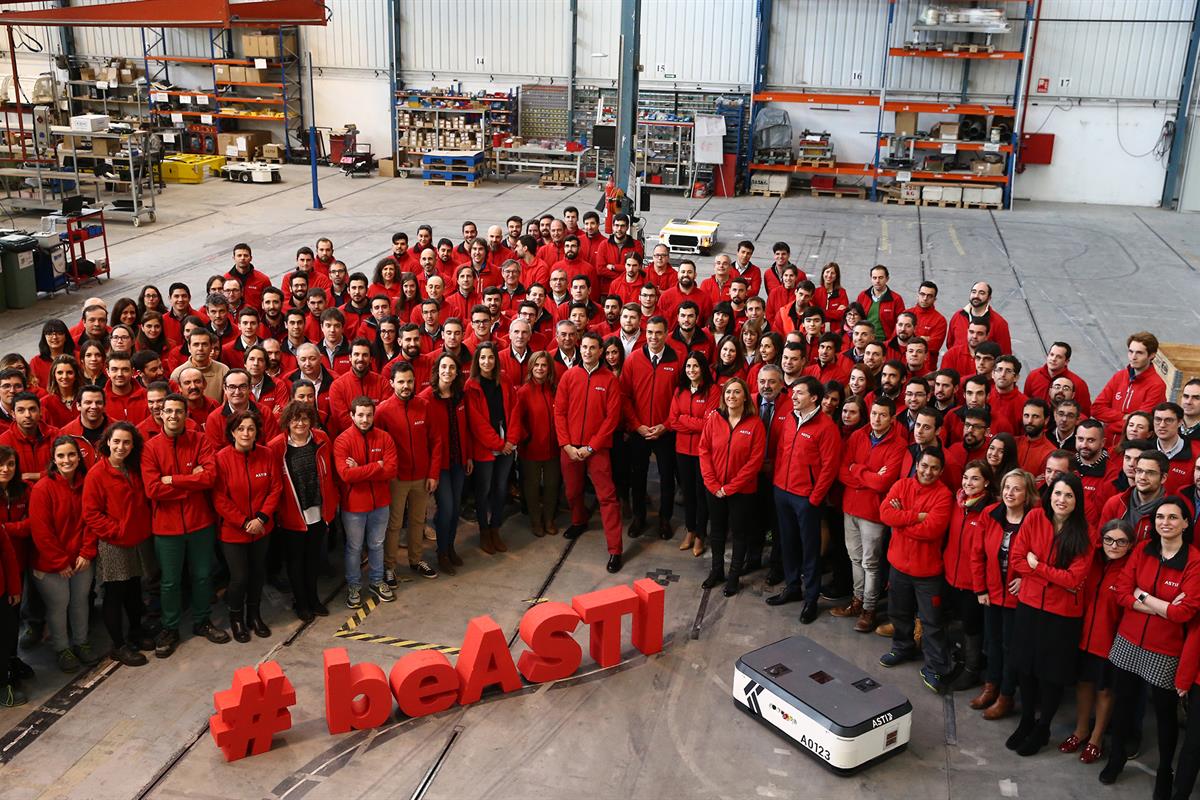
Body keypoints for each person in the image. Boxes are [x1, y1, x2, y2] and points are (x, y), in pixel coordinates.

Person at [1100, 496, 1200, 792]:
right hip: (1129, 640)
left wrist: (1142, 596)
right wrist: (1162, 606)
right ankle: (1116, 757)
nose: (1164, 523)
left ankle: (1164, 771)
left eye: (1172, 517)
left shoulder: (1194, 561)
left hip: (1165, 649)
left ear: (1185, 523)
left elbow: (1184, 613)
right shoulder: (1143, 549)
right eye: (1159, 517)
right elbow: (1121, 592)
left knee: (1165, 715)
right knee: (1123, 704)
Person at [1006, 472, 1093, 756]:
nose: (1061, 500)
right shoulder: (1034, 518)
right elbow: (1018, 560)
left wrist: (1039, 567)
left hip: (1062, 615)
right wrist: (1047, 574)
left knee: (1050, 674)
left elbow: (1073, 579)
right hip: (1030, 606)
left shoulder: (1085, 532)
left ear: (1077, 500)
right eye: (1057, 493)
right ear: (1049, 495)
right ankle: (1027, 720)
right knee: (1026, 668)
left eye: (1068, 495)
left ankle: (1043, 728)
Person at [142, 394, 229, 658]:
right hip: (166, 529)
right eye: (168, 411)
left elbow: (210, 478)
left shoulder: (200, 440)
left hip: (199, 522)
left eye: (178, 411)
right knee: (169, 582)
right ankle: (170, 627)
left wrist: (172, 481)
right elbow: (153, 489)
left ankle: (202, 620)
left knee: (202, 576)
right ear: (161, 413)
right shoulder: (150, 447)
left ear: (185, 414)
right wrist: (189, 481)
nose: (173, 416)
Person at [877, 446, 954, 693]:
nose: (928, 472)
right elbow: (885, 514)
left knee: (931, 623)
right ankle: (902, 649)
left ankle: (936, 668)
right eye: (924, 465)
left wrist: (902, 520)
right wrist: (916, 516)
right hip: (898, 566)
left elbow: (932, 529)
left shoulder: (944, 496)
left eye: (934, 468)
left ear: (941, 471)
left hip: (927, 573)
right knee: (899, 613)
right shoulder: (901, 485)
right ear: (917, 465)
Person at [1057, 519, 1134, 764]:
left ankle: (1096, 738)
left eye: (1121, 541)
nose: (1114, 545)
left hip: (1110, 643)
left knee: (1105, 691)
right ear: (1101, 540)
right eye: (1109, 539)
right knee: (1083, 684)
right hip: (1082, 638)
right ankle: (1081, 730)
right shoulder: (1090, 562)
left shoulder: (1130, 570)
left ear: (1130, 545)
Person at [767, 376, 842, 623]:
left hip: (806, 498)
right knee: (787, 543)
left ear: (814, 398)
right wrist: (778, 483)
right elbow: (781, 451)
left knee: (810, 550)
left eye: (799, 393)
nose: (794, 397)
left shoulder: (826, 427)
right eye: (794, 392)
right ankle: (792, 587)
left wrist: (814, 498)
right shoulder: (789, 419)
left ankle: (811, 598)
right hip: (783, 491)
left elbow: (830, 468)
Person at [82, 421, 155, 668]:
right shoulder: (97, 473)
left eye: (126, 442)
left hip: (136, 541)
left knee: (135, 591)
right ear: (107, 443)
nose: (121, 446)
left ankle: (136, 631)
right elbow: (91, 513)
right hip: (114, 544)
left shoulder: (133, 468)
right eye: (116, 441)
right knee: (114, 595)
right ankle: (118, 645)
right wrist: (117, 531)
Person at [971, 468, 1038, 720]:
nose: (1010, 493)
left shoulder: (1036, 519)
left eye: (1017, 488)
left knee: (1012, 647)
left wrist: (1026, 580)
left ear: (1027, 493)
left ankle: (1006, 695)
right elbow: (977, 554)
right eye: (1007, 487)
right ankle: (991, 686)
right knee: (993, 643)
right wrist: (980, 589)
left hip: (1019, 599)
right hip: (992, 594)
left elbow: (1040, 558)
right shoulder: (990, 514)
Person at [833, 396, 905, 633]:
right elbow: (842, 471)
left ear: (892, 418)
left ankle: (869, 609)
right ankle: (856, 600)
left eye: (883, 415)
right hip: (850, 506)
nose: (877, 419)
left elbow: (883, 484)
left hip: (873, 513)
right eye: (874, 414)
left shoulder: (898, 445)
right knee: (854, 558)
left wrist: (858, 469)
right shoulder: (857, 436)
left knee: (871, 563)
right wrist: (868, 475)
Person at [555, 331, 624, 572]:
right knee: (572, 492)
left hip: (597, 450)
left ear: (600, 351)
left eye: (592, 348)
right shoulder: (569, 377)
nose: (587, 351)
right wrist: (566, 445)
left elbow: (612, 420)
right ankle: (579, 520)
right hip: (570, 448)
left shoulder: (610, 381)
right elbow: (560, 412)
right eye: (584, 347)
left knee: (607, 498)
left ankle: (615, 549)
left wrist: (591, 447)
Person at [29, 436, 97, 673]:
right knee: (59, 606)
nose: (66, 460)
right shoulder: (42, 489)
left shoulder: (87, 483)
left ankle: (81, 642)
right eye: (61, 456)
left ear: (79, 457)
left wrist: (87, 552)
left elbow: (92, 520)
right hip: (50, 565)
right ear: (53, 460)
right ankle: (62, 648)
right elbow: (41, 531)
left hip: (81, 559)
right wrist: (59, 562)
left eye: (71, 455)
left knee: (80, 602)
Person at [213, 411, 282, 642]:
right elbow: (220, 498)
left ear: (256, 432)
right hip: (233, 531)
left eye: (250, 429)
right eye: (241, 428)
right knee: (239, 577)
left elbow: (275, 488)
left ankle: (254, 615)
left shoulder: (267, 454)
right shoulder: (221, 458)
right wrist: (243, 522)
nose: (246, 433)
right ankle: (236, 619)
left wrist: (261, 518)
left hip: (261, 528)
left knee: (257, 573)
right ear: (232, 432)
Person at [374, 362, 439, 585]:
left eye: (409, 381)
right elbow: (379, 446)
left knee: (418, 521)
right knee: (393, 524)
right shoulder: (382, 411)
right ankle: (389, 566)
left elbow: (435, 441)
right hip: (397, 479)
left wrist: (433, 473)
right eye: (401, 382)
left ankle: (416, 559)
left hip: (421, 477)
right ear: (391, 383)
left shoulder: (424, 405)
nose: (406, 386)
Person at [699, 378, 764, 596]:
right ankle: (716, 571)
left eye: (737, 393)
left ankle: (734, 577)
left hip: (742, 492)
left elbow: (755, 462)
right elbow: (704, 450)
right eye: (728, 393)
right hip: (715, 488)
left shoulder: (755, 424)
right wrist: (713, 483)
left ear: (745, 396)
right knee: (716, 532)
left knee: (739, 534)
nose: (732, 397)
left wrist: (731, 487)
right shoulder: (714, 418)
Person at [271, 402, 335, 622]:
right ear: (287, 421)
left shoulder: (321, 439)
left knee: (312, 559)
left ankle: (313, 598)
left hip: (318, 511)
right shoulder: (277, 447)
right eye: (295, 419)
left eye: (305, 419)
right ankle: (301, 602)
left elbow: (329, 474)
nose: (300, 423)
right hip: (292, 515)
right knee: (296, 561)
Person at [335, 397, 397, 609]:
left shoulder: (385, 438)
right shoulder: (342, 441)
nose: (365, 419)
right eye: (360, 415)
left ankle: (377, 581)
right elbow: (345, 475)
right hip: (354, 507)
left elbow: (391, 470)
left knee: (377, 544)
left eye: (369, 415)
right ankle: (354, 585)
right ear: (352, 415)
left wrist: (360, 468)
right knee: (354, 547)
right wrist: (376, 466)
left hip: (380, 503)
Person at [620, 317, 680, 540]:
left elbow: (680, 398)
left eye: (659, 333)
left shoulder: (676, 360)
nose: (654, 337)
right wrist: (637, 425)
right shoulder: (634, 359)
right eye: (650, 332)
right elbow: (624, 397)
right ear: (645, 333)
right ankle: (639, 517)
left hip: (665, 432)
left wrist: (666, 425)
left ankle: (665, 519)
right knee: (638, 476)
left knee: (666, 478)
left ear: (666, 334)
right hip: (640, 431)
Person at [944, 460, 995, 691]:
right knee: (957, 623)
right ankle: (961, 660)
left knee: (972, 627)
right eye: (966, 477)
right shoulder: (957, 504)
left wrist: (981, 586)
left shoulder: (989, 510)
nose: (968, 483)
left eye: (975, 478)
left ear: (986, 481)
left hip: (973, 583)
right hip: (951, 576)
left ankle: (972, 669)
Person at [420, 353, 472, 575]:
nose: (448, 371)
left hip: (458, 461)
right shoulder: (426, 399)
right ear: (436, 370)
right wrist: (431, 471)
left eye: (452, 367)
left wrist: (468, 456)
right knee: (447, 508)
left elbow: (465, 429)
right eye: (444, 367)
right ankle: (441, 552)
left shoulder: (460, 396)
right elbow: (426, 439)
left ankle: (450, 547)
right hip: (439, 465)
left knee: (455, 509)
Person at [465, 343, 517, 554]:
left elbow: (515, 410)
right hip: (485, 447)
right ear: (477, 361)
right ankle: (484, 531)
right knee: (483, 490)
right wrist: (499, 444)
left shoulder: (505, 380)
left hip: (507, 443)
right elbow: (476, 423)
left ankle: (495, 528)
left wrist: (511, 441)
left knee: (501, 488)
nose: (487, 362)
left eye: (491, 358)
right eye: (483, 358)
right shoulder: (470, 386)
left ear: (496, 360)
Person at [668, 352, 718, 557]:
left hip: (703, 452)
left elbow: (709, 424)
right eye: (688, 366)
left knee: (701, 494)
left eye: (695, 366)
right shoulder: (680, 390)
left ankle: (700, 535)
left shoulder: (713, 391)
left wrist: (684, 420)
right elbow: (672, 421)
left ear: (703, 368)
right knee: (687, 492)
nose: (691, 370)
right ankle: (690, 530)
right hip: (682, 450)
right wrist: (691, 422)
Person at [510, 352, 560, 537]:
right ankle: (535, 520)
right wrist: (526, 437)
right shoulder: (523, 392)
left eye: (544, 365)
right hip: (530, 449)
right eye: (536, 365)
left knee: (552, 485)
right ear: (531, 367)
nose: (540, 368)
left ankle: (548, 519)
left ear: (549, 368)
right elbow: (516, 420)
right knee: (531, 487)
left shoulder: (554, 389)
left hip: (553, 448)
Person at [0, 446, 30, 705]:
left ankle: (9, 666)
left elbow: (8, 555)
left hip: (9, 579)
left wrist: (12, 587)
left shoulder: (23, 491)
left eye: (10, 464)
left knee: (10, 627)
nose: (5, 469)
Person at [1092, 331, 1167, 434]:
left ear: (1152, 355)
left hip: (1132, 445)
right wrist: (1123, 416)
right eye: (1131, 351)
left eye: (1139, 353)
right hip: (1107, 442)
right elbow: (1096, 409)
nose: (1133, 357)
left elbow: (1140, 425)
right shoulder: (1119, 376)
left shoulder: (1157, 385)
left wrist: (1109, 425)